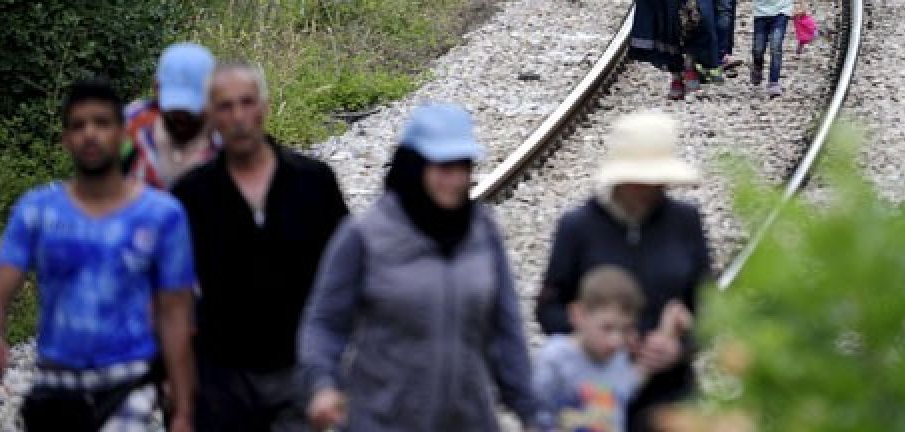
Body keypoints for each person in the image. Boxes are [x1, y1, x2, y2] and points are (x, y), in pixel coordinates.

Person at [298, 103, 539, 432]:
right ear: (414, 166)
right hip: (382, 422)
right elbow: (324, 324)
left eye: (462, 167)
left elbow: (506, 330)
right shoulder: (365, 235)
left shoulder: (483, 231)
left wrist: (530, 409)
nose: (455, 180)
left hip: (468, 421)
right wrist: (323, 384)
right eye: (443, 167)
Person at [0, 77, 196, 432]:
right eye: (78, 126)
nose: (90, 134)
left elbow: (175, 312)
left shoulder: (161, 215)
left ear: (124, 134)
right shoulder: (37, 211)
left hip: (128, 383)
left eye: (102, 123)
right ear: (65, 139)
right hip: (55, 382)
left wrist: (183, 408)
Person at [172, 61, 348, 432]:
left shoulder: (312, 182)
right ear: (210, 117)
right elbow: (172, 299)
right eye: (225, 106)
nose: (238, 117)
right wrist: (180, 398)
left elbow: (347, 273)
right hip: (222, 379)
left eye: (246, 102)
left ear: (264, 107)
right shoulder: (192, 196)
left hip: (299, 368)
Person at [536, 110, 712, 432]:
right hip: (592, 400)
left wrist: (679, 346)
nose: (650, 187)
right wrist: (601, 336)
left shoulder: (685, 222)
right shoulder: (578, 227)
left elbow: (709, 307)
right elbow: (549, 310)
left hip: (671, 396)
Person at [533, 265, 692, 432]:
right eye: (607, 328)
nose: (615, 340)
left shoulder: (617, 359)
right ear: (578, 315)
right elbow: (535, 413)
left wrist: (667, 332)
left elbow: (632, 380)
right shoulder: (556, 358)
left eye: (624, 330)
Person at [125, 42, 219, 188]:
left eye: (191, 107)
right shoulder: (131, 125)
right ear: (157, 89)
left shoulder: (225, 140)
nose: (181, 117)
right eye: (174, 107)